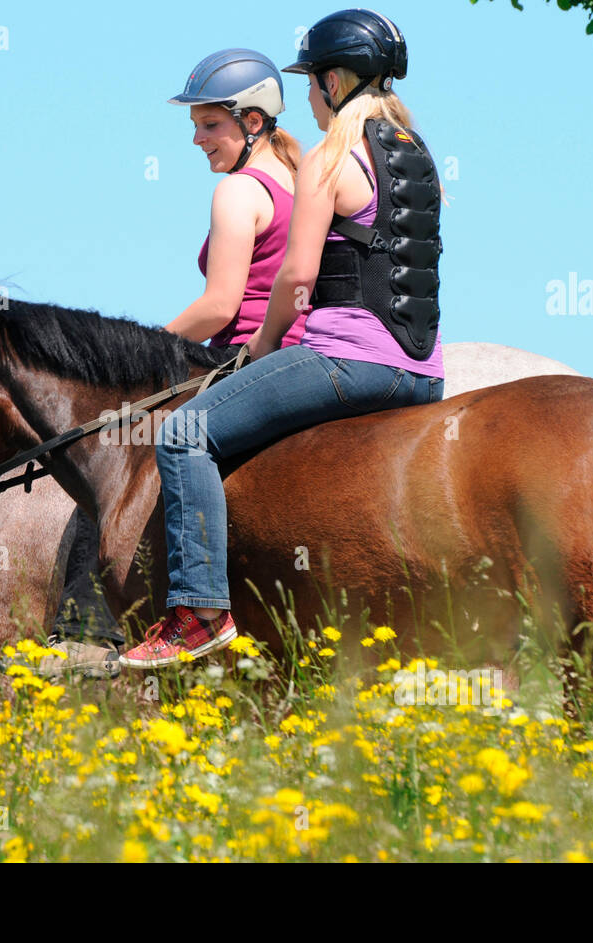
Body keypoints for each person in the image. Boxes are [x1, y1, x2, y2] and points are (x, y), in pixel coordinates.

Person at [120, 9, 447, 669]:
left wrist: (265, 347)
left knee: (183, 434)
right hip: (423, 371)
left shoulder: (331, 156)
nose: (309, 98)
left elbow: (298, 277)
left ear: (332, 82)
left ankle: (199, 615)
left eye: (310, 84)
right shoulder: (421, 158)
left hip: (345, 361)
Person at [27, 49, 305, 679]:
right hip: (290, 351)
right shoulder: (295, 180)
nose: (199, 140)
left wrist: (139, 354)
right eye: (195, 128)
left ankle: (83, 637)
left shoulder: (239, 190)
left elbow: (219, 304)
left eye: (211, 125)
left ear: (253, 122)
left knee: (111, 452)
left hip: (234, 354)